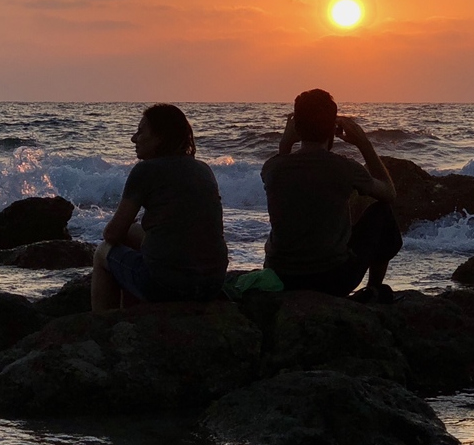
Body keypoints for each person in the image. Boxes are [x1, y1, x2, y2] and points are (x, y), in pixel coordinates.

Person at [261, 89, 401, 300]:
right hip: (332, 280)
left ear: (295, 126)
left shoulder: (272, 168)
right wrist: (364, 143)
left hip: (281, 277)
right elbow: (389, 194)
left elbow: (287, 173)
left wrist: (285, 143)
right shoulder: (345, 168)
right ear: (332, 128)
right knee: (382, 212)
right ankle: (373, 290)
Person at [91, 104, 230, 310]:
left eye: (140, 132)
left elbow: (112, 234)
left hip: (168, 287)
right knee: (133, 234)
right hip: (212, 284)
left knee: (102, 252)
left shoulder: (145, 170)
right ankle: (134, 314)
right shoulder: (203, 169)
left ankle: (103, 328)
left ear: (160, 137)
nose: (133, 138)